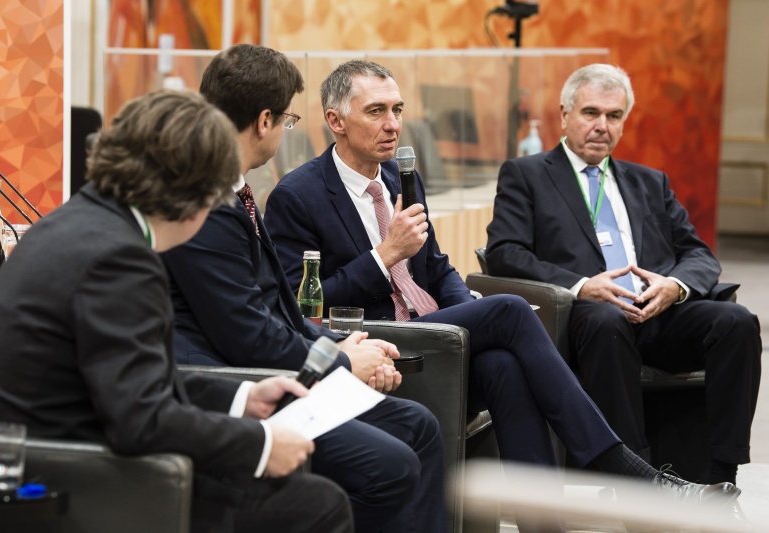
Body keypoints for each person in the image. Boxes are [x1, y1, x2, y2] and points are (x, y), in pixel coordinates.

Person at [262, 58, 744, 515]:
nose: (393, 124)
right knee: (510, 310)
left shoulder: (399, 176)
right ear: (335, 121)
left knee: (503, 364)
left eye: (398, 110)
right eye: (376, 111)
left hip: (432, 326)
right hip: (384, 341)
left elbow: (437, 265)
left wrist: (466, 312)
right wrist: (384, 256)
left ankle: (545, 522)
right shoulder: (297, 195)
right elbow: (302, 304)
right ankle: (631, 475)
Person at [0, 90, 352, 533]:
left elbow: (129, 380)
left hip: (45, 457)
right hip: (67, 479)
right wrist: (263, 442)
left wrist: (240, 397)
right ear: (195, 189)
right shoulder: (120, 258)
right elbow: (142, 420)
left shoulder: (78, 223)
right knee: (318, 504)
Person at [161, 44, 447, 533]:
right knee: (391, 463)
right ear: (264, 120)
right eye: (289, 121)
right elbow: (247, 335)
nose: (393, 123)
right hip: (238, 385)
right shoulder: (204, 204)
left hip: (266, 367)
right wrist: (340, 363)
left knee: (418, 425)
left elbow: (281, 309)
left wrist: (343, 345)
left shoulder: (238, 192)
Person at [484, 63, 762, 486]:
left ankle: (722, 474)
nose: (602, 126)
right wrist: (581, 286)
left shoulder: (649, 182)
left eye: (614, 116)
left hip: (657, 313)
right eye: (590, 113)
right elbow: (505, 253)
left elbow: (699, 255)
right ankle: (640, 480)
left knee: (738, 323)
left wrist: (674, 286)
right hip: (586, 319)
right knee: (606, 321)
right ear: (564, 115)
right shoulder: (527, 175)